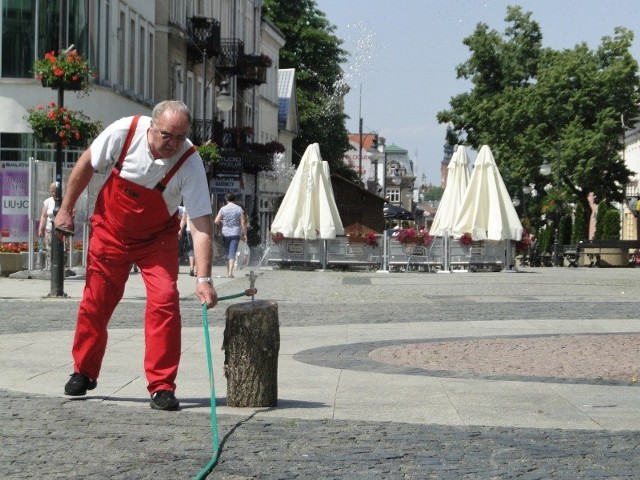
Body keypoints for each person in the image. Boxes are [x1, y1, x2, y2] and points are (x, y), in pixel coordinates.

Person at [54, 100, 218, 411]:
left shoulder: (190, 161)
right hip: (110, 232)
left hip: (157, 240)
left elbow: (200, 222)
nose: (173, 144)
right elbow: (87, 164)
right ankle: (83, 371)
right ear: (152, 126)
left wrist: (204, 278)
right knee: (95, 303)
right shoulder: (125, 131)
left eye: (180, 137)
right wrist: (65, 210)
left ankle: (162, 386)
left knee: (166, 300)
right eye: (167, 135)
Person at [214, 193, 247, 278]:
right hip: (236, 233)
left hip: (225, 233)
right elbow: (243, 222)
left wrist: (222, 222)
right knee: (232, 252)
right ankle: (230, 272)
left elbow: (216, 221)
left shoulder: (223, 209)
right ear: (234, 199)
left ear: (226, 199)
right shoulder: (239, 209)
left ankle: (228, 271)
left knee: (227, 252)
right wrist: (244, 234)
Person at [38, 182, 57, 270]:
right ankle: (50, 267)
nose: (54, 193)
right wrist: (41, 228)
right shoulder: (48, 201)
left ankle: (60, 267)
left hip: (61, 229)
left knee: (62, 249)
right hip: (49, 228)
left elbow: (72, 211)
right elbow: (44, 216)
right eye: (52, 191)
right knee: (49, 248)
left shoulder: (64, 200)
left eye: (55, 191)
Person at [180, 207, 196, 276]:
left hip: (189, 229)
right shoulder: (201, 202)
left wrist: (180, 230)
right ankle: (197, 270)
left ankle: (191, 267)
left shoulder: (186, 206)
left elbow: (184, 219)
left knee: (191, 248)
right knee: (198, 248)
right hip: (199, 230)